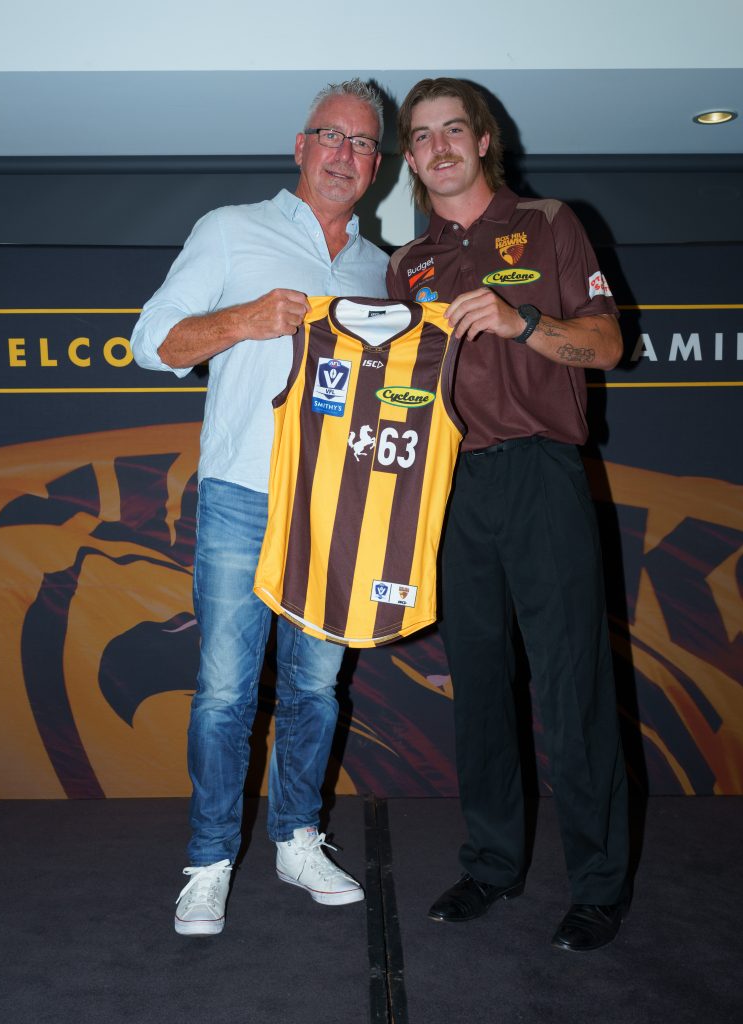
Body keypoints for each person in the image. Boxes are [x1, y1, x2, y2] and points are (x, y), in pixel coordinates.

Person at [131, 79, 388, 936]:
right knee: (223, 693)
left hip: (338, 505)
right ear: (300, 146)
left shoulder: (381, 268)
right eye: (331, 136)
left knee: (316, 688)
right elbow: (150, 342)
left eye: (362, 143)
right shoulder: (230, 229)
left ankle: (296, 839)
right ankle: (208, 862)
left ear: (377, 165)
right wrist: (241, 320)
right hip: (244, 492)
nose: (344, 154)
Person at [386, 78, 630, 952]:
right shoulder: (406, 264)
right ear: (410, 158)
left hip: (539, 473)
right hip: (449, 490)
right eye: (422, 136)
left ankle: (597, 886)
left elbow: (608, 345)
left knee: (571, 687)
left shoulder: (549, 222)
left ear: (483, 140)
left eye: (453, 129)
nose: (439, 146)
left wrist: (521, 322)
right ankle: (491, 865)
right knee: (479, 688)